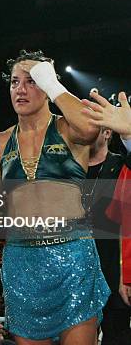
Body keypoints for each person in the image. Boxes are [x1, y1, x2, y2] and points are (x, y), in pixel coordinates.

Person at [0, 50, 110, 344]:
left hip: (73, 256)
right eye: (14, 82)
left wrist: (51, 83)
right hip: (22, 261)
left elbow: (89, 127)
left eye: (32, 81)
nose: (20, 89)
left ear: (48, 86)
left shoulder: (69, 129)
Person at [82, 91, 130, 344]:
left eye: (94, 125)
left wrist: (130, 135)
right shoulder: (65, 169)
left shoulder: (123, 165)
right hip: (75, 281)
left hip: (115, 278)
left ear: (108, 132)